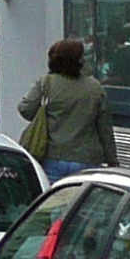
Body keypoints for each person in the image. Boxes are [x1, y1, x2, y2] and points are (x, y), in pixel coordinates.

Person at [16, 38, 115, 173]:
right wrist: (112, 160)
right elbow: (105, 129)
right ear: (79, 61)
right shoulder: (95, 88)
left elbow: (25, 109)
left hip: (53, 156)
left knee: (55, 193)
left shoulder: (46, 83)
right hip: (88, 159)